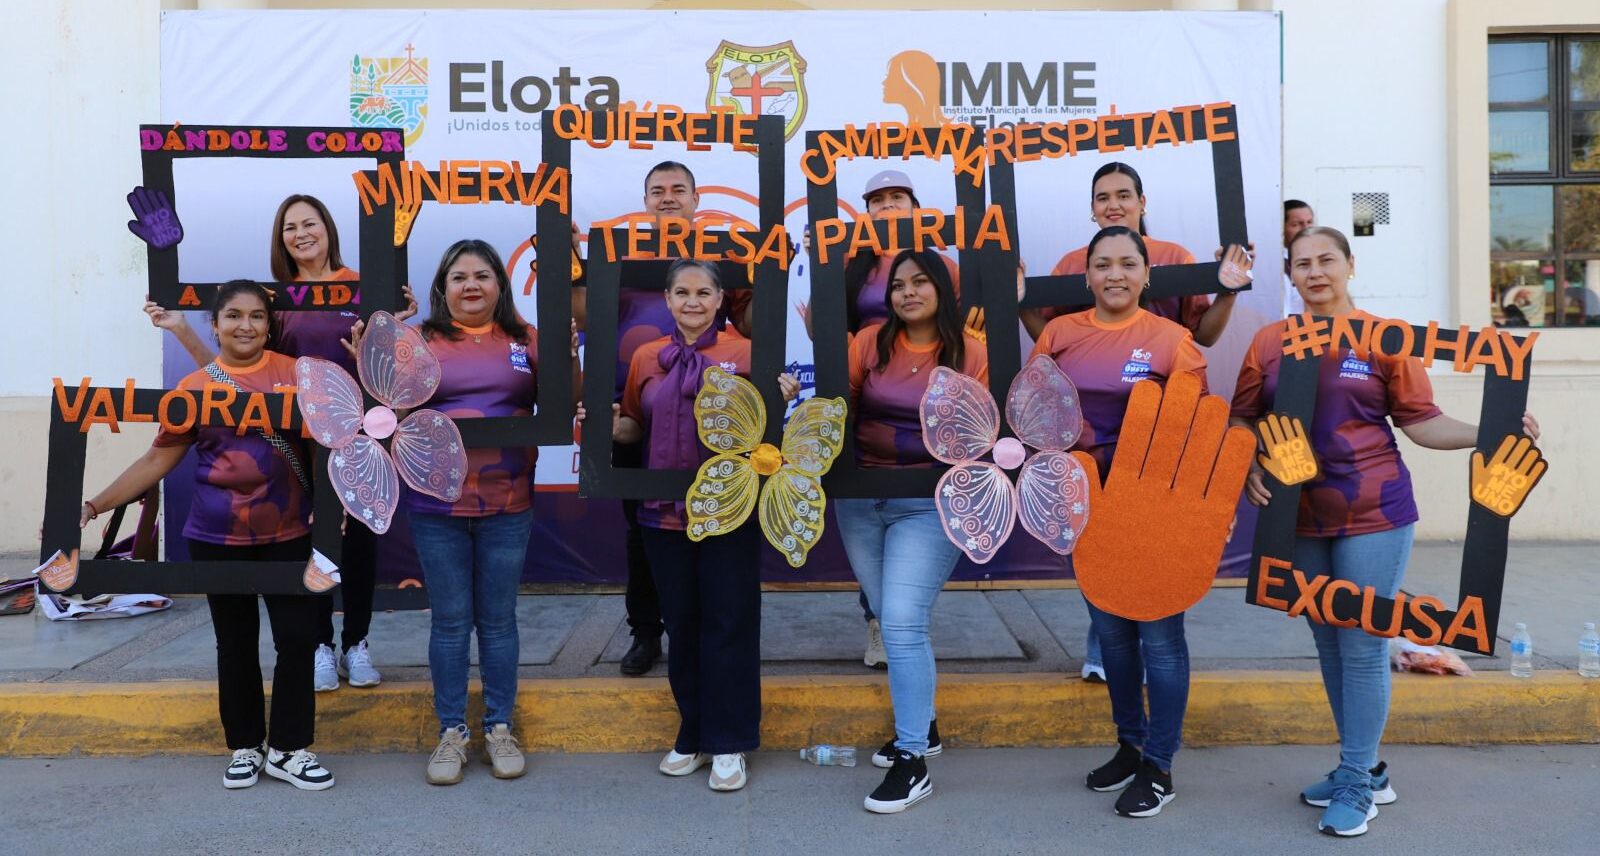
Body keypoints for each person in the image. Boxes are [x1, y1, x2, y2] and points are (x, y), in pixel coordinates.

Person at [1231, 226, 1540, 837]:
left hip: (1375, 512)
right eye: (1302, 264)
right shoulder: (1269, 342)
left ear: (1350, 264)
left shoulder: (1384, 340)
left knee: (1363, 643)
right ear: (1290, 275)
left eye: (1327, 260)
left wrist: (1492, 430)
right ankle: (1366, 769)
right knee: (1326, 640)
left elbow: (1421, 422)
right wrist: (1248, 465)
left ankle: (1353, 779)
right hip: (1298, 515)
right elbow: (1243, 416)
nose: (1315, 272)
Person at [145, 193, 411, 694]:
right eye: (290, 227)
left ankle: (357, 643)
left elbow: (388, 367)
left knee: (359, 543)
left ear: (329, 229)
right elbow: (231, 377)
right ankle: (319, 647)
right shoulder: (275, 299)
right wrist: (181, 327)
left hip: (357, 435)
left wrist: (397, 325)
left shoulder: (365, 286)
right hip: (296, 443)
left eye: (310, 223)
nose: (301, 233)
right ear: (281, 239)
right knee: (310, 544)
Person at [92, 281, 333, 791]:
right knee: (235, 643)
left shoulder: (295, 376)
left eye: (256, 316)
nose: (245, 325)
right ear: (215, 324)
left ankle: (289, 749)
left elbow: (322, 451)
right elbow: (158, 458)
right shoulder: (194, 390)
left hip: (288, 532)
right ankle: (246, 745)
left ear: (270, 325)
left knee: (298, 638)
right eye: (233, 316)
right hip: (216, 535)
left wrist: (332, 514)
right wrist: (92, 505)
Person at [1026, 226, 1210, 818]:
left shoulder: (1174, 340)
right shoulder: (1058, 333)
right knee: (1113, 638)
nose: (1115, 274)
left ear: (1146, 274)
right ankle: (1130, 747)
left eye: (1128, 264)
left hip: (1155, 507)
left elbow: (1192, 430)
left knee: (1159, 637)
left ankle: (1160, 764)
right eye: (1102, 264)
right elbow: (1035, 412)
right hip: (1085, 505)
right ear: (1086, 275)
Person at [603, 259, 798, 792]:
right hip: (662, 516)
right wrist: (597, 426)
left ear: (720, 300)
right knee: (683, 624)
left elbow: (765, 434)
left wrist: (779, 403)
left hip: (728, 515)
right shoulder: (647, 357)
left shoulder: (746, 354)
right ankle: (693, 731)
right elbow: (632, 427)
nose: (693, 301)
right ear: (667, 300)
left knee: (729, 622)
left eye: (704, 292)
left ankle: (730, 740)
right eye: (682, 292)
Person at [391, 239, 578, 786]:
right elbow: (389, 410)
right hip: (435, 502)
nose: (470, 285)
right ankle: (452, 732)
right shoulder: (419, 340)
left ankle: (499, 726)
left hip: (508, 501)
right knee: (451, 623)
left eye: (482, 275)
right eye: (458, 277)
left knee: (497, 622)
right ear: (442, 287)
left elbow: (565, 405)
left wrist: (569, 358)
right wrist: (379, 352)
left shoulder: (526, 340)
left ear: (499, 284)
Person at [570, 161, 754, 677]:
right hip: (633, 406)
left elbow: (751, 324)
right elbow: (585, 317)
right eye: (657, 191)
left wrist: (763, 275)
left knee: (714, 527)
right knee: (642, 529)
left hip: (712, 417)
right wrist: (575, 267)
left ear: (698, 199)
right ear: (645, 201)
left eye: (678, 190)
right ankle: (646, 632)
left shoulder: (724, 257)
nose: (668, 198)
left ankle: (709, 633)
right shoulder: (619, 254)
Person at [836, 249, 988, 813]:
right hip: (858, 502)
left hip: (928, 506)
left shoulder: (971, 352)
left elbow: (983, 435)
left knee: (900, 623)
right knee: (891, 617)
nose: (907, 293)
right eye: (898, 284)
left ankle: (912, 760)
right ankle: (924, 724)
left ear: (943, 291)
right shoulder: (868, 343)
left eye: (921, 282)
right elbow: (842, 408)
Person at [796, 169, 962, 669]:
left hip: (925, 393)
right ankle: (878, 622)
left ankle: (904, 623)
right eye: (877, 201)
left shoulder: (944, 266)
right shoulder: (850, 262)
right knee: (864, 504)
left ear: (915, 207)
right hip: (863, 382)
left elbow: (962, 327)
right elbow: (832, 325)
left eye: (897, 198)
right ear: (865, 213)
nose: (887, 207)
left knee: (914, 515)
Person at [1020, 161, 1242, 348]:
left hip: (1164, 383)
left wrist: (1228, 290)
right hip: (1090, 385)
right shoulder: (1070, 264)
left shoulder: (1175, 256)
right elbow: (1048, 338)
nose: (1113, 205)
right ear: (1092, 207)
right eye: (1103, 198)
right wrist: (1019, 301)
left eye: (1123, 195)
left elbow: (1204, 336)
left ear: (1141, 202)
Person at [1282, 200, 1315, 316]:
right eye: (1296, 224)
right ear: (1282, 228)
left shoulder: (1318, 261)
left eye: (1309, 222)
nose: (1306, 229)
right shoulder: (1279, 266)